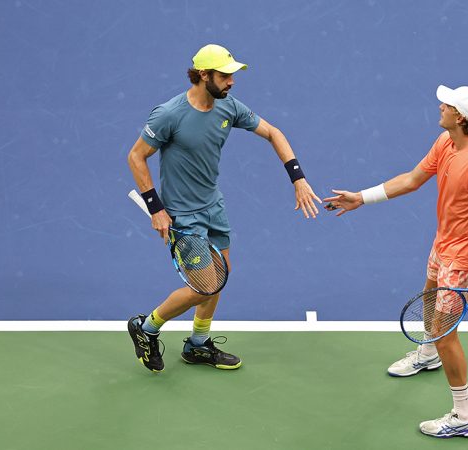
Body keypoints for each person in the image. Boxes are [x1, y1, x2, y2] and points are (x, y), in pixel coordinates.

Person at [127, 44, 322, 373]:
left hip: (213, 207)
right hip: (183, 215)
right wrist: (156, 207)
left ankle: (198, 344)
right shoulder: (169, 114)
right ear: (203, 76)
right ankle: (146, 327)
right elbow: (136, 156)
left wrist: (298, 179)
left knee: (221, 276)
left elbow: (273, 132)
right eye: (224, 75)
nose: (231, 82)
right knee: (204, 286)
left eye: (232, 75)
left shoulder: (228, 107)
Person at [323, 85, 468, 438]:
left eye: (447, 104)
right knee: (428, 296)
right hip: (443, 243)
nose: (440, 106)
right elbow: (411, 179)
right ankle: (427, 353)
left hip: (464, 257)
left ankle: (464, 415)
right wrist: (362, 198)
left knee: (445, 333)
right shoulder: (446, 143)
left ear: (461, 118)